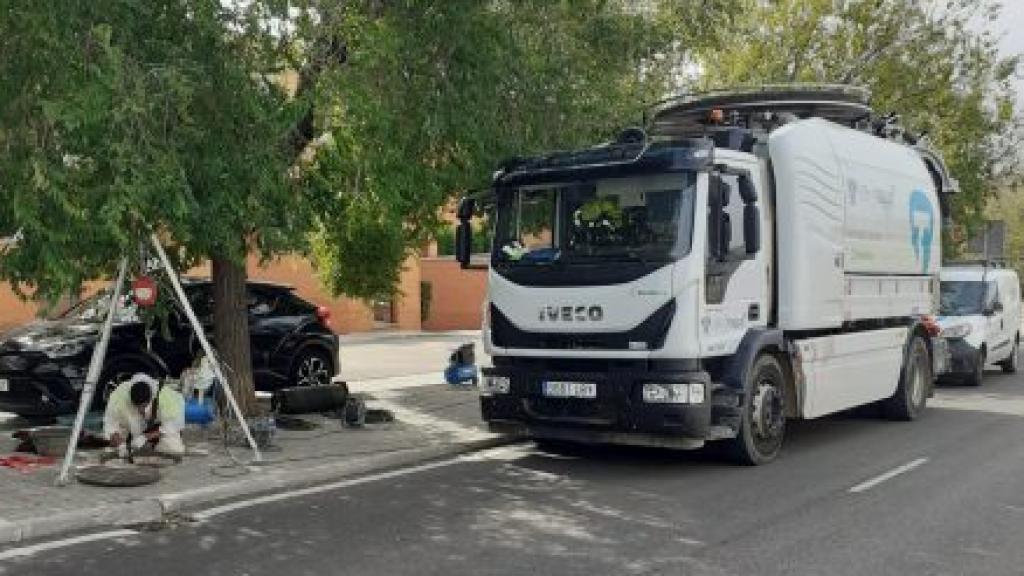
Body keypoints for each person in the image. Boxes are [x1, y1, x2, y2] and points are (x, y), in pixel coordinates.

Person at [103, 373, 186, 458]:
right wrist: (120, 445)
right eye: (137, 407)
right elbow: (110, 425)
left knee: (176, 450)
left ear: (151, 398)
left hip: (156, 429)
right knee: (110, 451)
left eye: (143, 406)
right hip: (129, 428)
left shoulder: (167, 397)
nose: (140, 410)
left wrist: (145, 437)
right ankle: (127, 445)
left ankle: (151, 446)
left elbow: (173, 426)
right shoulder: (118, 395)